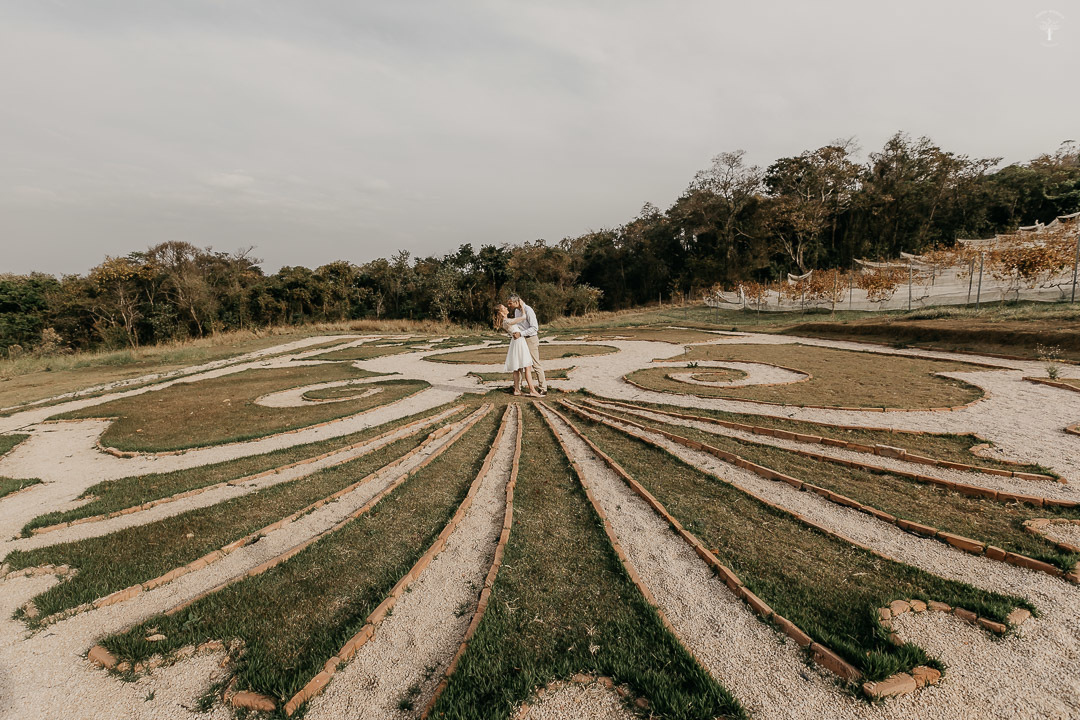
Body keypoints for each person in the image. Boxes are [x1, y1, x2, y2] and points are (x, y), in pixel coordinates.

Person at [494, 304, 541, 397]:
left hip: (515, 343)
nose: (507, 308)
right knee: (527, 366)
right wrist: (522, 306)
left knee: (517, 368)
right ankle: (532, 390)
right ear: (501, 312)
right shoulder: (507, 321)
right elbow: (523, 317)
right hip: (519, 342)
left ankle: (517, 389)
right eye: (504, 308)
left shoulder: (505, 322)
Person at [506, 294, 546, 396]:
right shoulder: (516, 311)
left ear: (516, 302)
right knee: (520, 364)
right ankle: (517, 388)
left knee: (535, 364)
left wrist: (521, 334)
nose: (509, 305)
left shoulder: (528, 310)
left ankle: (543, 387)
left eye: (510, 303)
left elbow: (534, 328)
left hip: (530, 339)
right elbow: (518, 324)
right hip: (521, 340)